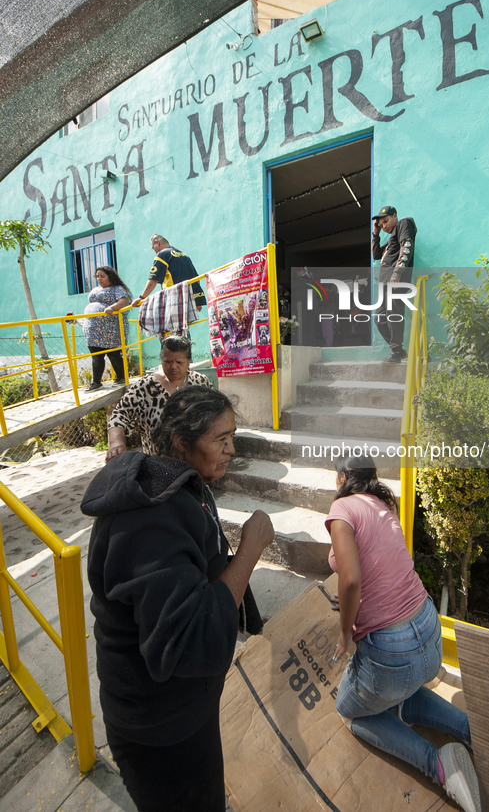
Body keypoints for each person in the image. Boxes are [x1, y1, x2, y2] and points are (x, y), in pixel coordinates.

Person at [82, 385, 274, 812]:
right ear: (180, 442)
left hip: (185, 711)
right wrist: (250, 550)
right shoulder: (152, 520)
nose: (231, 450)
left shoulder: (183, 486)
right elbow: (190, 644)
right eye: (219, 439)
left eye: (233, 436)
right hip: (158, 731)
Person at [325, 455, 481, 812]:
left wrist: (346, 632)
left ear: (343, 478)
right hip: (428, 631)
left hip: (395, 652)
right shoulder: (383, 504)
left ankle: (438, 764)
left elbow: (349, 579)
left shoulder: (342, 509)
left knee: (350, 710)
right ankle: (475, 733)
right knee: (395, 693)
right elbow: (382, 566)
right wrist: (354, 602)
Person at [106, 335, 212, 460]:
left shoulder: (200, 382)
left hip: (195, 461)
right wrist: (116, 443)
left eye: (179, 362)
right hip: (157, 463)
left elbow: (216, 412)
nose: (173, 366)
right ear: (161, 359)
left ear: (189, 362)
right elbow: (119, 415)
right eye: (168, 362)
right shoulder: (145, 386)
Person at [371, 205, 417, 362]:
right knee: (380, 318)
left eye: (386, 221)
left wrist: (397, 273)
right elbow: (376, 254)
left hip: (395, 282)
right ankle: (399, 351)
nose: (384, 226)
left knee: (393, 315)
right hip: (385, 284)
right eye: (381, 224)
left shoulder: (404, 223)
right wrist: (375, 234)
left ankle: (396, 351)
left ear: (395, 215)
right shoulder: (391, 241)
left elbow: (407, 247)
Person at [82, 266, 131, 392]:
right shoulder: (95, 289)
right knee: (96, 355)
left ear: (110, 276)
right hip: (93, 330)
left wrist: (112, 307)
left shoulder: (117, 288)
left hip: (111, 328)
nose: (99, 279)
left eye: (102, 276)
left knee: (113, 353)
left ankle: (121, 378)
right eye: (97, 276)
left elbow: (124, 301)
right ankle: (96, 382)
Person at [130, 234, 206, 310]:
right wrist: (197, 301)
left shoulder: (162, 255)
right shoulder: (184, 255)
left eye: (153, 248)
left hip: (174, 300)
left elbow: (153, 279)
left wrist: (141, 297)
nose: (155, 251)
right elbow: (196, 278)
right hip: (188, 301)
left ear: (157, 243)